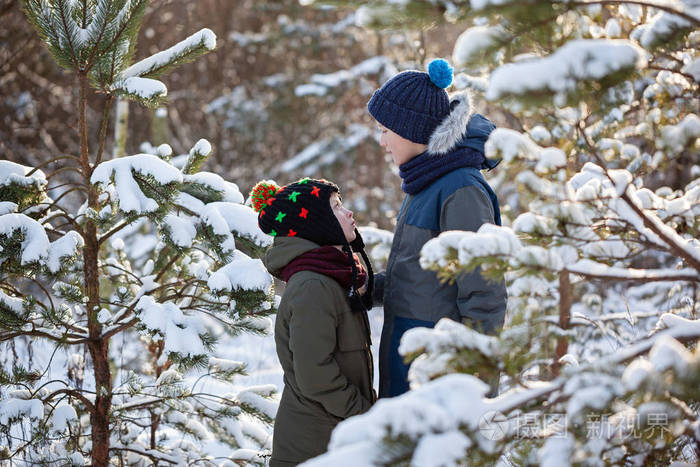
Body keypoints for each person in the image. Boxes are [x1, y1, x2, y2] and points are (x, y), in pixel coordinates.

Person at [367, 58, 507, 398]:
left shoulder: (459, 188)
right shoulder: (426, 183)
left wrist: (478, 383)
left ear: (411, 130)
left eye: (386, 131)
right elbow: (423, 277)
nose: (382, 142)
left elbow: (484, 292)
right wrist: (368, 287)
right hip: (413, 351)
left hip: (441, 370)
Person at [252, 177, 376, 466]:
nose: (349, 213)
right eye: (335, 207)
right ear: (316, 223)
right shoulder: (313, 286)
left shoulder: (331, 277)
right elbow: (315, 376)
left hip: (333, 438)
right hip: (314, 447)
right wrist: (365, 415)